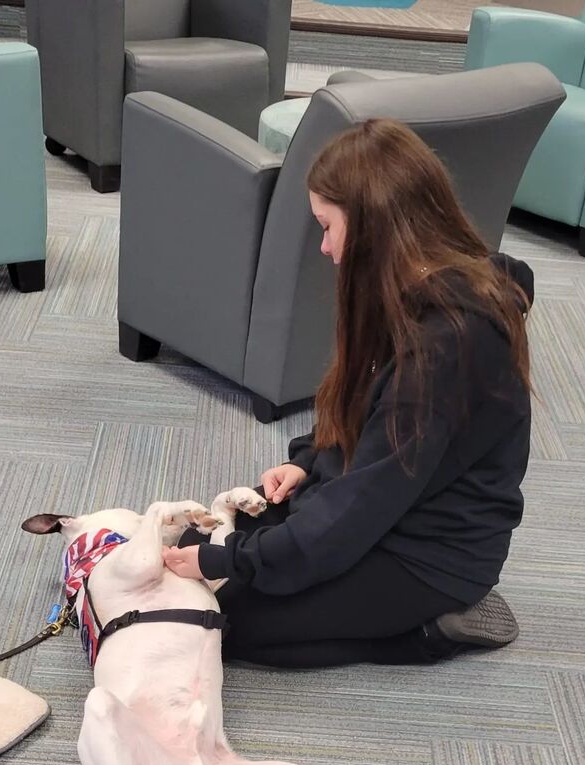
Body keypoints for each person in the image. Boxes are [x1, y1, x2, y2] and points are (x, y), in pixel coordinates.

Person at [163, 118, 533, 670]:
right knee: (201, 545)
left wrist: (229, 560)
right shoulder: (413, 288)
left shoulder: (445, 344)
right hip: (391, 505)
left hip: (432, 555)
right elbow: (374, 413)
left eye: (329, 227)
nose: (324, 246)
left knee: (221, 621)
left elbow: (357, 510)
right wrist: (313, 461)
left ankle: (432, 631)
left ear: (375, 226)